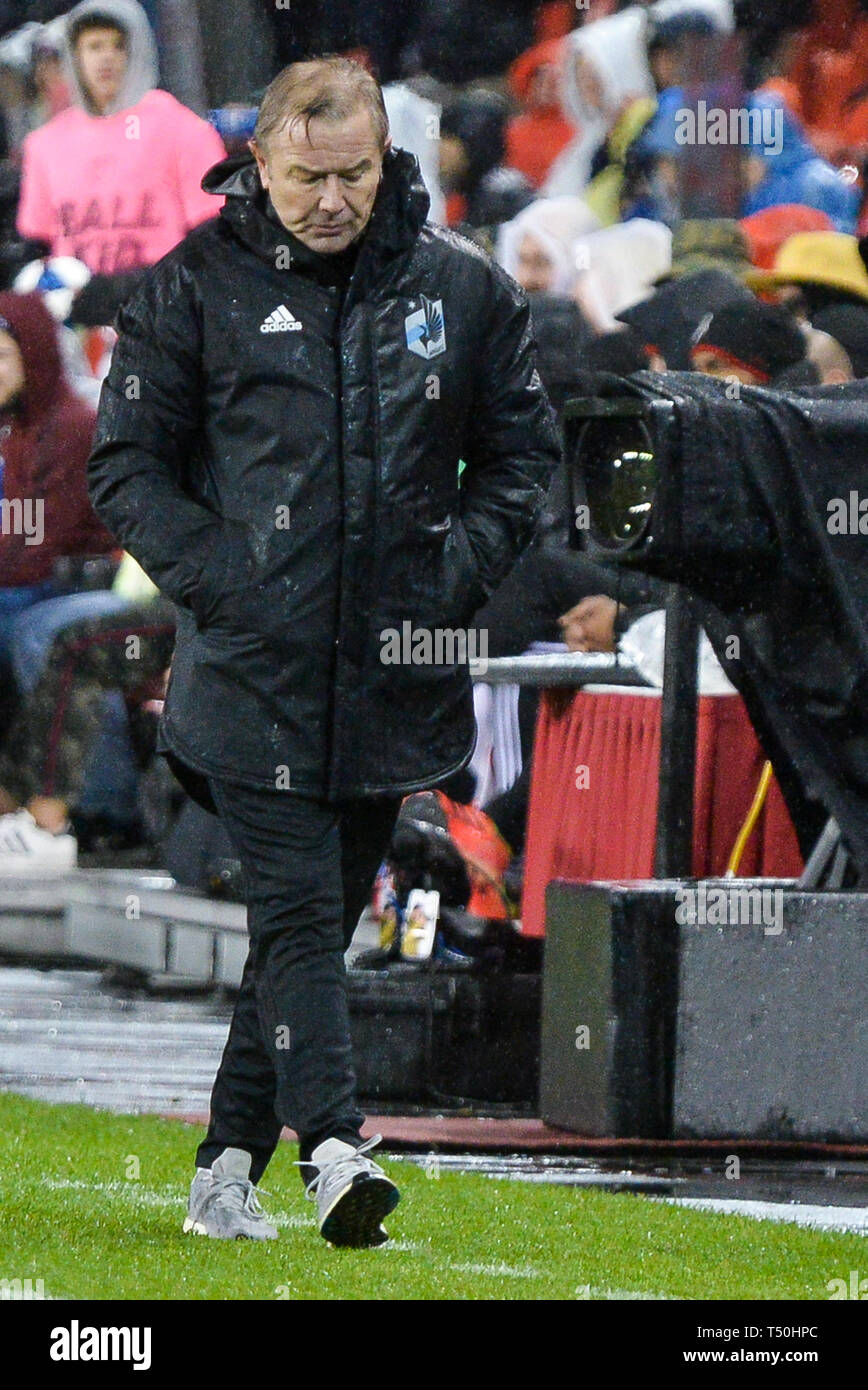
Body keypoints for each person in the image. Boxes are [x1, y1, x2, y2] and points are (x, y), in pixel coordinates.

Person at [88, 56, 560, 1247]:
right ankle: (340, 1153)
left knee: (308, 926)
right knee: (300, 917)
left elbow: (524, 455)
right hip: (250, 670)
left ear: (386, 156)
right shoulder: (188, 289)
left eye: (353, 174)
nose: (333, 200)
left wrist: (455, 572)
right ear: (260, 160)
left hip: (395, 671)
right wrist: (227, 581)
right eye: (307, 178)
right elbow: (124, 468)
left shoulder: (463, 289)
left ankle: (222, 1170)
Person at [16, 0, 225, 274]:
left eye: (118, 45)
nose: (107, 57)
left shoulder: (184, 129)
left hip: (163, 301)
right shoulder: (43, 144)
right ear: (74, 56)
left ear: (138, 51)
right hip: (77, 307)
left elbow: (212, 232)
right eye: (94, 46)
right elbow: (37, 242)